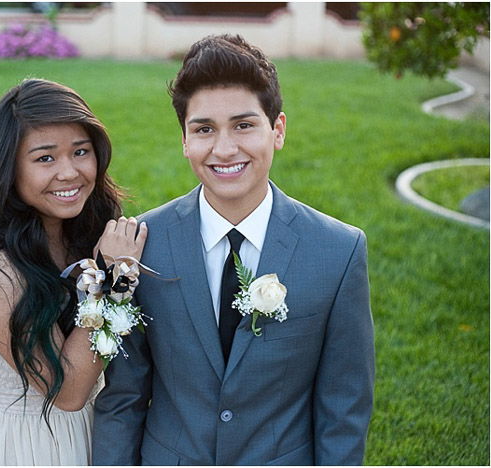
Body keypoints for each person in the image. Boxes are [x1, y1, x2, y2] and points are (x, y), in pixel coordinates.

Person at [92, 34, 375, 465]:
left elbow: (344, 407)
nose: (224, 149)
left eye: (244, 125)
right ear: (184, 140)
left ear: (277, 130)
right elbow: (122, 397)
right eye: (204, 129)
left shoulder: (338, 251)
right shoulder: (143, 245)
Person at [0, 78, 147, 465]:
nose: (69, 173)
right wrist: (115, 281)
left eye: (80, 152)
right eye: (45, 158)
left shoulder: (85, 231)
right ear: (9, 169)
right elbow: (65, 391)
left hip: (94, 425)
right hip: (22, 442)